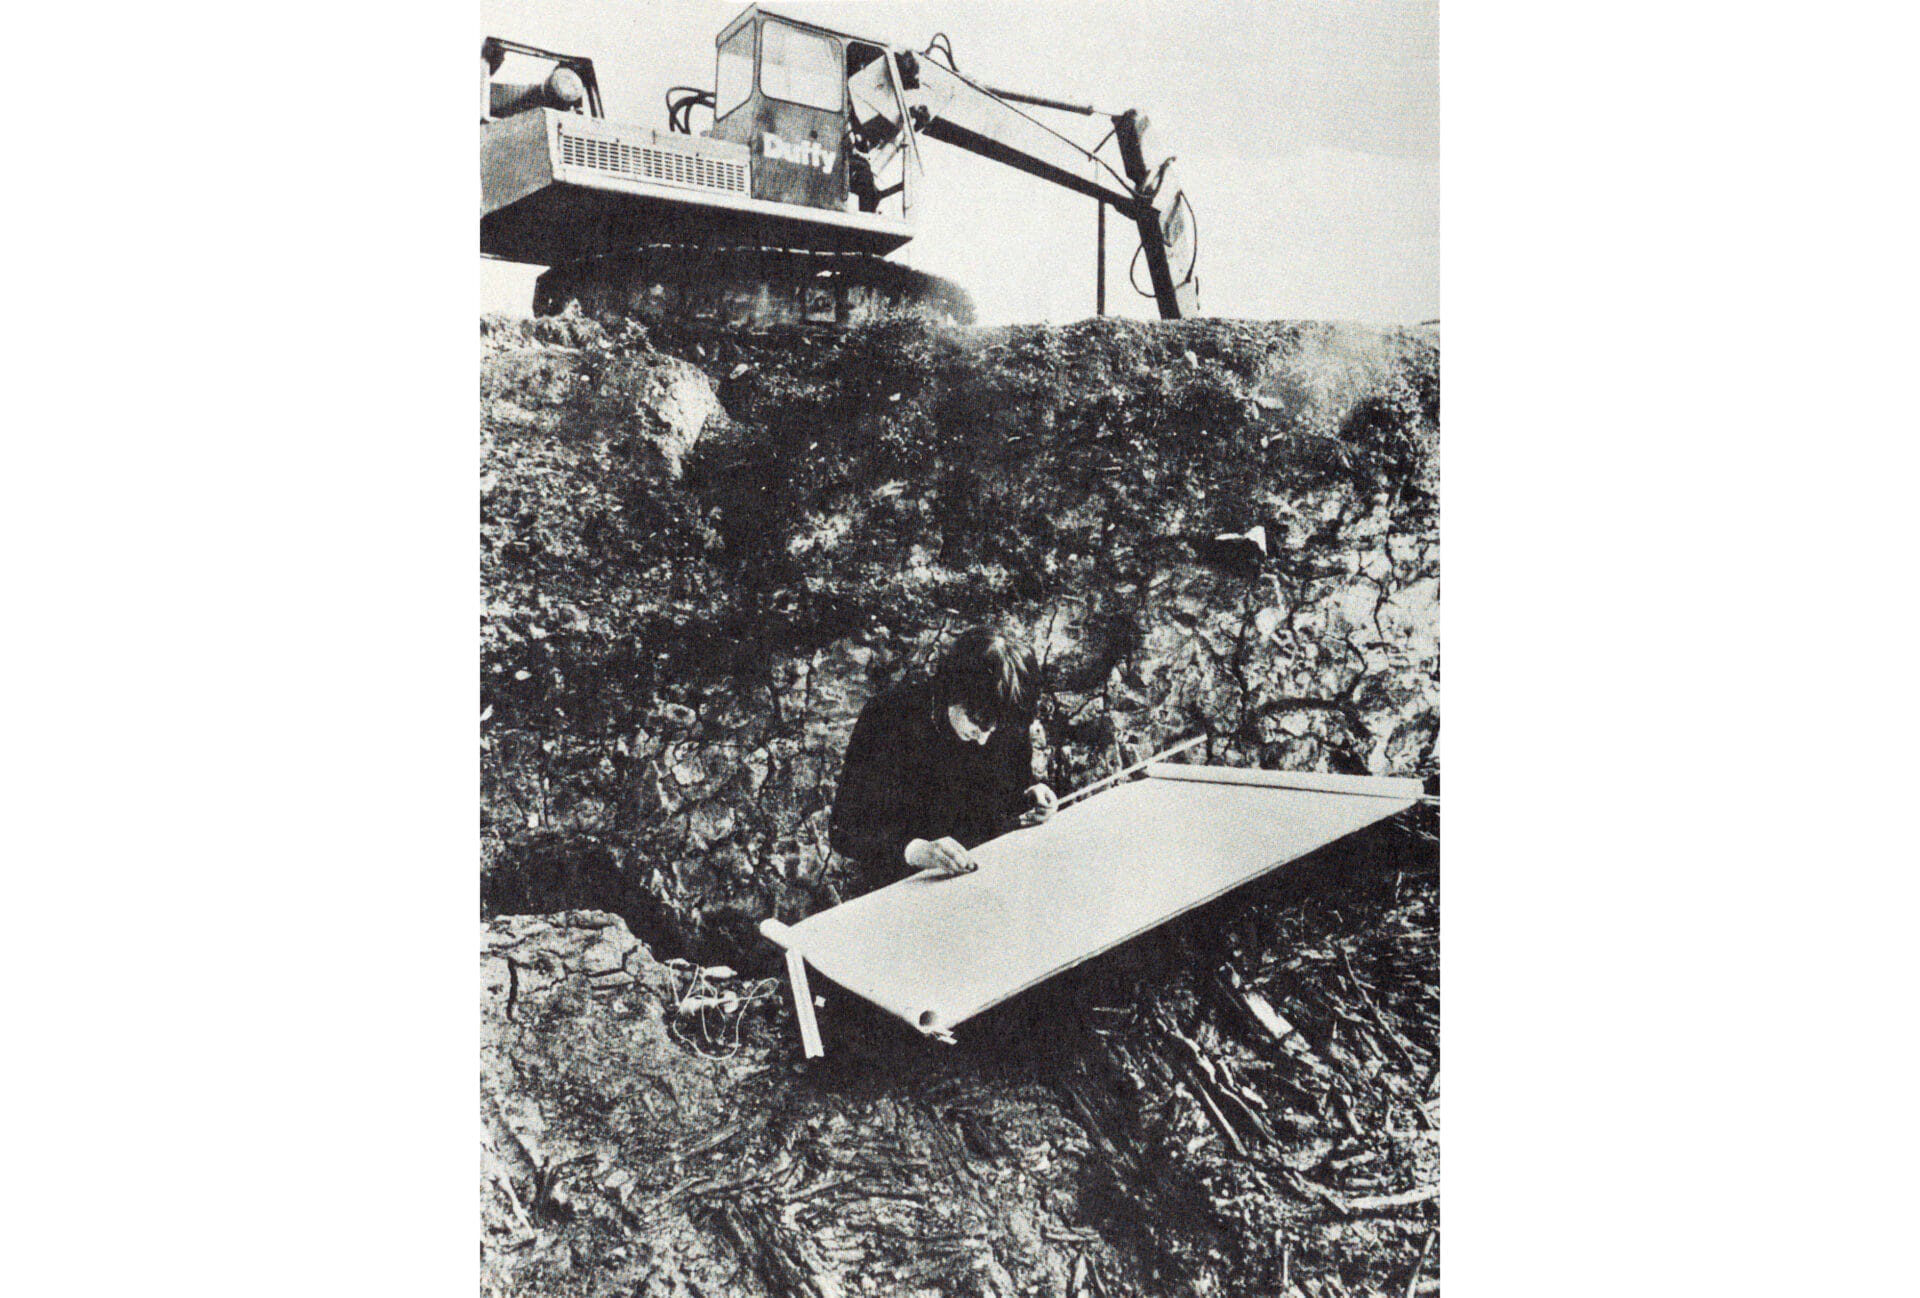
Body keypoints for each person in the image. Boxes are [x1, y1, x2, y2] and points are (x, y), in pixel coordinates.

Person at [829, 627, 1058, 895]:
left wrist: (1031, 797)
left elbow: (1003, 792)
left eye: (995, 730)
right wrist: (917, 851)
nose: (983, 739)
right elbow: (844, 828)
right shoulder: (888, 716)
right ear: (953, 690)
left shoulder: (1005, 720)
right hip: (908, 887)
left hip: (987, 878)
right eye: (977, 723)